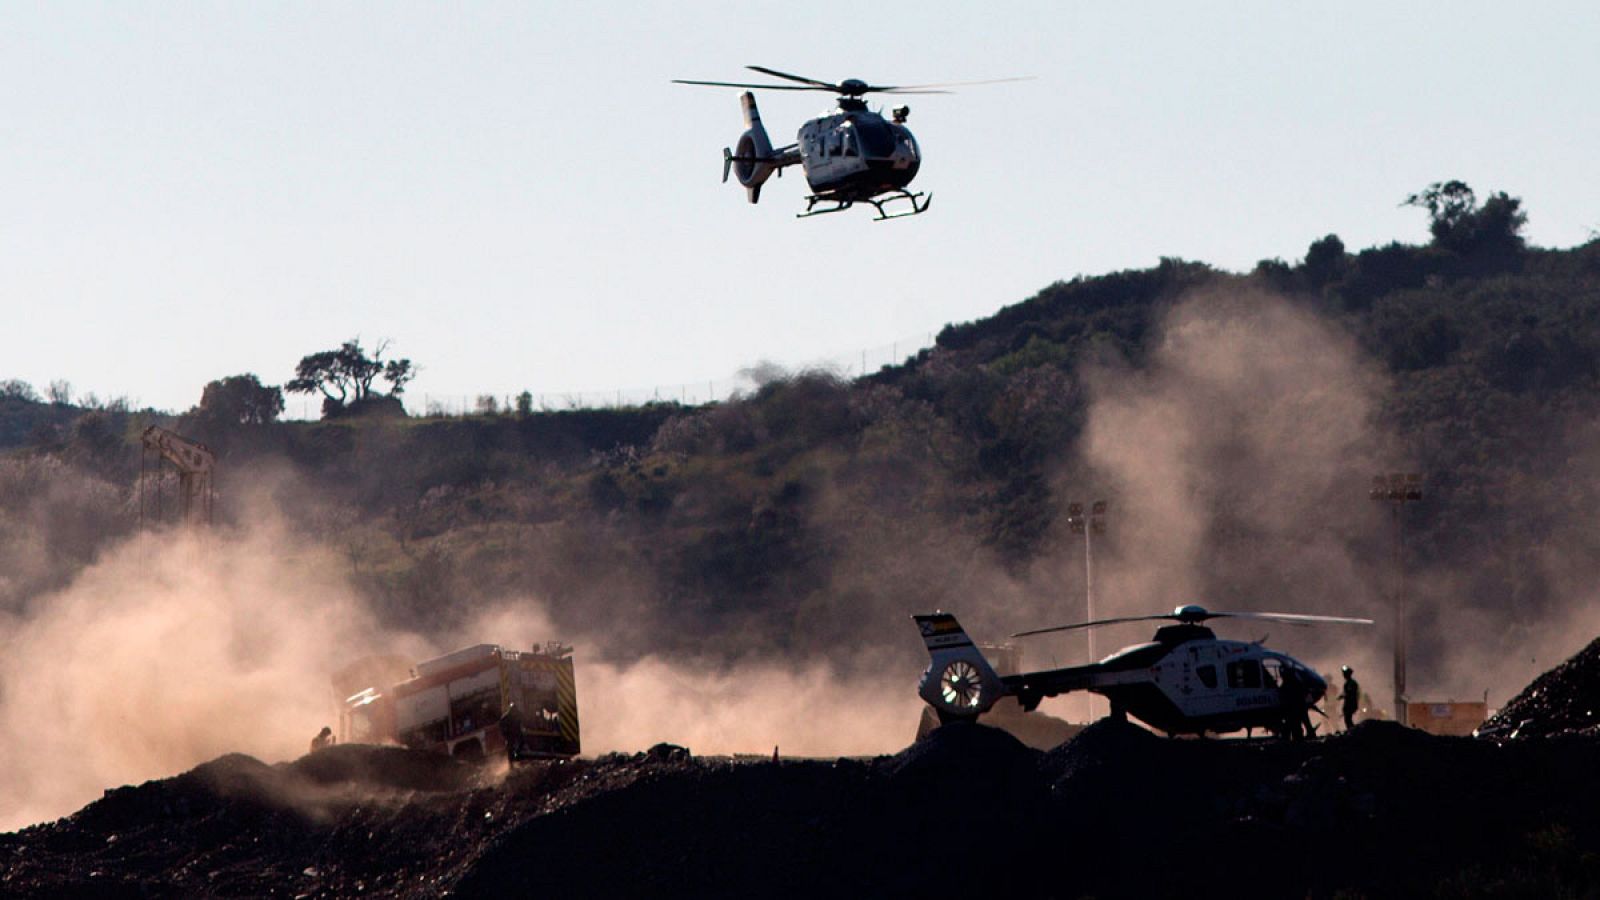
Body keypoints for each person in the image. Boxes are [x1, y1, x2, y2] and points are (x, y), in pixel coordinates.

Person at [1339, 666, 1360, 731]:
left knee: (1348, 719)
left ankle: (1353, 731)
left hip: (1351, 704)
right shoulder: (1347, 683)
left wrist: (1343, 696)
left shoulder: (1352, 683)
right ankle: (1352, 731)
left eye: (1345, 674)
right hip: (1348, 704)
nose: (1343, 675)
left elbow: (1351, 694)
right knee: (1347, 719)